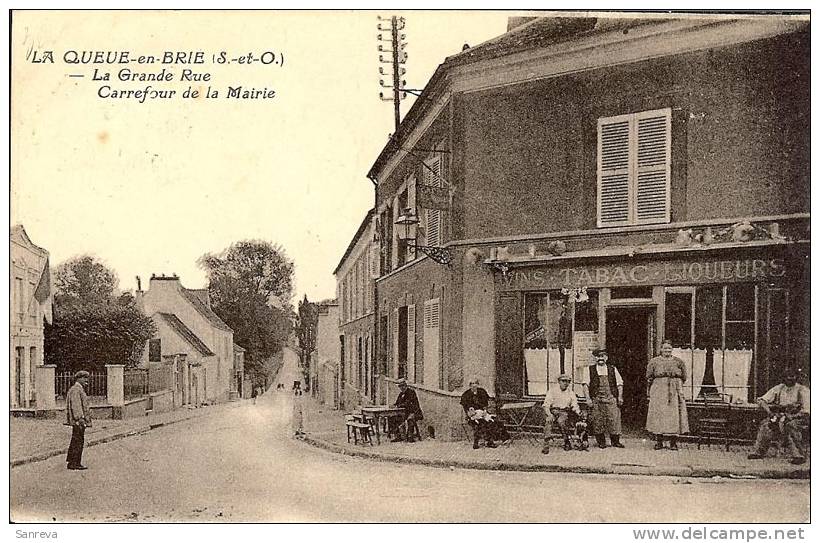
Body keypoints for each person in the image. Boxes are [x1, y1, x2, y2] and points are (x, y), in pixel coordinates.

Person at [747, 368, 810, 465]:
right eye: (787, 377)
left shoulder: (802, 390)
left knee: (790, 425)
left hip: (800, 418)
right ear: (784, 378)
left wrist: (793, 416)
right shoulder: (779, 388)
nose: (789, 379)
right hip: (781, 415)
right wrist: (769, 413)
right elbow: (762, 400)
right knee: (766, 424)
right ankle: (759, 452)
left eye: (792, 376)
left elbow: (807, 411)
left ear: (796, 377)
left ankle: (798, 455)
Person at [646, 340, 690, 450]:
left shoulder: (678, 362)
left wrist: (676, 384)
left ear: (672, 350)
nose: (667, 350)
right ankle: (659, 442)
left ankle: (673, 443)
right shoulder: (654, 362)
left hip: (674, 390)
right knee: (659, 415)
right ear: (661, 349)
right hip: (659, 390)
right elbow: (649, 376)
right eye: (665, 348)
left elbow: (684, 376)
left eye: (669, 348)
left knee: (674, 415)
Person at [582, 347, 624, 448]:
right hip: (597, 398)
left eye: (603, 356)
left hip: (611, 397)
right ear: (595, 358)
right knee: (598, 420)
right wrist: (588, 398)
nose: (600, 358)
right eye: (598, 356)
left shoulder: (612, 369)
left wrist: (620, 397)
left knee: (614, 419)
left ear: (606, 357)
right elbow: (585, 385)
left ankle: (615, 441)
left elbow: (619, 384)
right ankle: (601, 442)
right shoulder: (589, 369)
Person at [460, 378, 509, 449]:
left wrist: (485, 411)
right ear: (470, 385)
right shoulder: (466, 395)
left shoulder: (481, 392)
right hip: (472, 416)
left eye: (475, 383)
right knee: (482, 423)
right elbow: (466, 408)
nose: (474, 385)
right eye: (472, 384)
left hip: (483, 413)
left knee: (493, 421)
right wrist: (470, 413)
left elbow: (485, 405)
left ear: (478, 384)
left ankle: (492, 441)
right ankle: (476, 443)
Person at [542, 374, 582, 454]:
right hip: (552, 411)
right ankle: (546, 445)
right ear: (559, 382)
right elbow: (546, 405)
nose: (565, 383)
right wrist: (549, 415)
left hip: (564, 412)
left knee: (561, 422)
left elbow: (575, 405)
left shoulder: (570, 393)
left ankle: (566, 441)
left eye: (568, 381)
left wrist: (579, 413)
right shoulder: (552, 391)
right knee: (548, 421)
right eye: (563, 381)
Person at [65, 370, 92, 470]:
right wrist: (80, 418)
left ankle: (72, 461)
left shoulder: (77, 389)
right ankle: (75, 463)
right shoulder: (76, 389)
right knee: (78, 441)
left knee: (76, 440)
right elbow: (76, 406)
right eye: (84, 378)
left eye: (87, 378)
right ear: (79, 378)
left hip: (78, 420)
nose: (86, 380)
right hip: (79, 421)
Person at [392, 378, 424, 443]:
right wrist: (394, 405)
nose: (401, 388)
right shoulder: (401, 394)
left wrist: (399, 405)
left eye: (403, 386)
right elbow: (397, 402)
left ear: (405, 385)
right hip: (405, 412)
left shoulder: (411, 392)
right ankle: (398, 436)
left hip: (414, 412)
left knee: (410, 419)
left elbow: (408, 403)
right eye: (400, 386)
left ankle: (410, 436)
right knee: (393, 418)